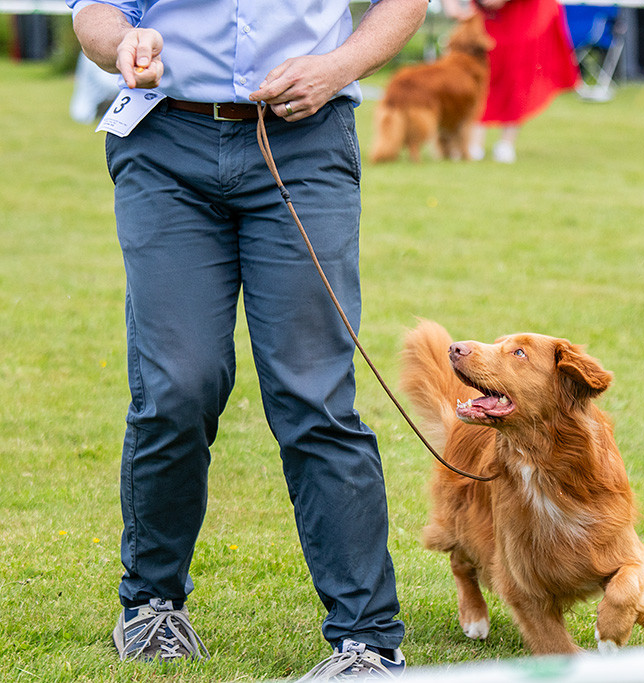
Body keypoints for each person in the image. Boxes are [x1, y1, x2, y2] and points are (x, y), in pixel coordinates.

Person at [67, 0, 426, 677]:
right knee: (178, 382)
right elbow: (96, 11)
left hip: (305, 141)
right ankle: (151, 603)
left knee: (313, 393)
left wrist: (338, 66)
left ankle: (366, 643)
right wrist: (124, 41)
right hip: (163, 141)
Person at [442, 0, 578, 163]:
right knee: (481, 73)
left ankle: (506, 143)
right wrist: (450, 4)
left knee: (518, 73)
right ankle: (474, 142)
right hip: (484, 12)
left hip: (523, 12)